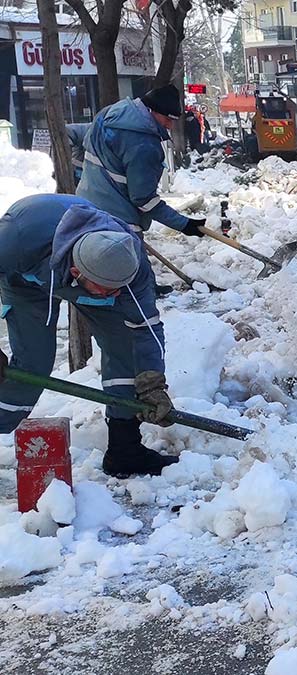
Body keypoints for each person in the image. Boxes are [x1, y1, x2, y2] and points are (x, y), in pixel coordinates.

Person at [0, 195, 179, 477]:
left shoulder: (128, 264)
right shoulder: (16, 236)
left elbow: (146, 327)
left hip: (89, 279)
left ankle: (125, 450)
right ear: (76, 272)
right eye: (109, 290)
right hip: (26, 280)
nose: (117, 295)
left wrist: (153, 381)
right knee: (34, 363)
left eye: (120, 287)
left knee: (126, 350)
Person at [77, 84, 207, 238]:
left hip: (86, 209)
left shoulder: (110, 114)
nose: (169, 125)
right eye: (167, 118)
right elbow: (144, 199)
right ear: (152, 110)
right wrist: (184, 224)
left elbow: (86, 143)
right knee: (136, 262)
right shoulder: (144, 146)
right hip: (119, 221)